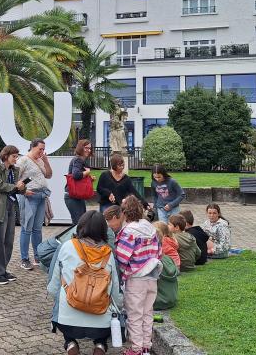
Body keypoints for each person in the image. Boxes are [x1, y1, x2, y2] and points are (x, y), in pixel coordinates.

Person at [48, 210, 120, 355]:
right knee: (110, 315)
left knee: (62, 301)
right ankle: (100, 345)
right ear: (103, 230)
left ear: (80, 226)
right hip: (101, 322)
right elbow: (116, 292)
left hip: (67, 321)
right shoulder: (109, 253)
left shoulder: (65, 246)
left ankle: (70, 343)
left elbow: (52, 286)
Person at [114, 195, 163, 355]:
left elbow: (122, 256)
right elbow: (159, 252)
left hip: (136, 278)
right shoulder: (151, 228)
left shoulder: (128, 231)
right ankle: (146, 347)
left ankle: (136, 349)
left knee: (135, 315)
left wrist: (123, 272)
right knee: (147, 313)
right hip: (152, 276)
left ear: (124, 213)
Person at [0, 145, 28, 285]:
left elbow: (16, 188)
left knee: (8, 240)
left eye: (17, 156)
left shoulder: (14, 170)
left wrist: (22, 187)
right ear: (6, 156)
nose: (16, 159)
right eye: (14, 156)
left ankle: (2, 270)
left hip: (11, 206)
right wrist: (15, 187)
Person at [16, 138, 53, 270]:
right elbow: (15, 180)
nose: (42, 152)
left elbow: (49, 175)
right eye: (40, 149)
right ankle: (24, 259)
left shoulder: (41, 160)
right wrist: (24, 192)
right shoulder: (23, 161)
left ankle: (38, 257)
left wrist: (46, 162)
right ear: (32, 147)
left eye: (43, 149)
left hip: (41, 196)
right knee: (27, 229)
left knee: (37, 229)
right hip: (29, 197)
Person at [66, 139, 93, 225]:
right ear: (80, 147)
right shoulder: (78, 160)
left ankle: (78, 238)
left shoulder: (80, 159)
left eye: (89, 148)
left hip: (76, 196)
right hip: (73, 196)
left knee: (81, 223)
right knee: (78, 224)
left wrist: (89, 177)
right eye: (86, 148)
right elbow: (76, 175)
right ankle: (74, 239)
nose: (88, 150)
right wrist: (87, 172)